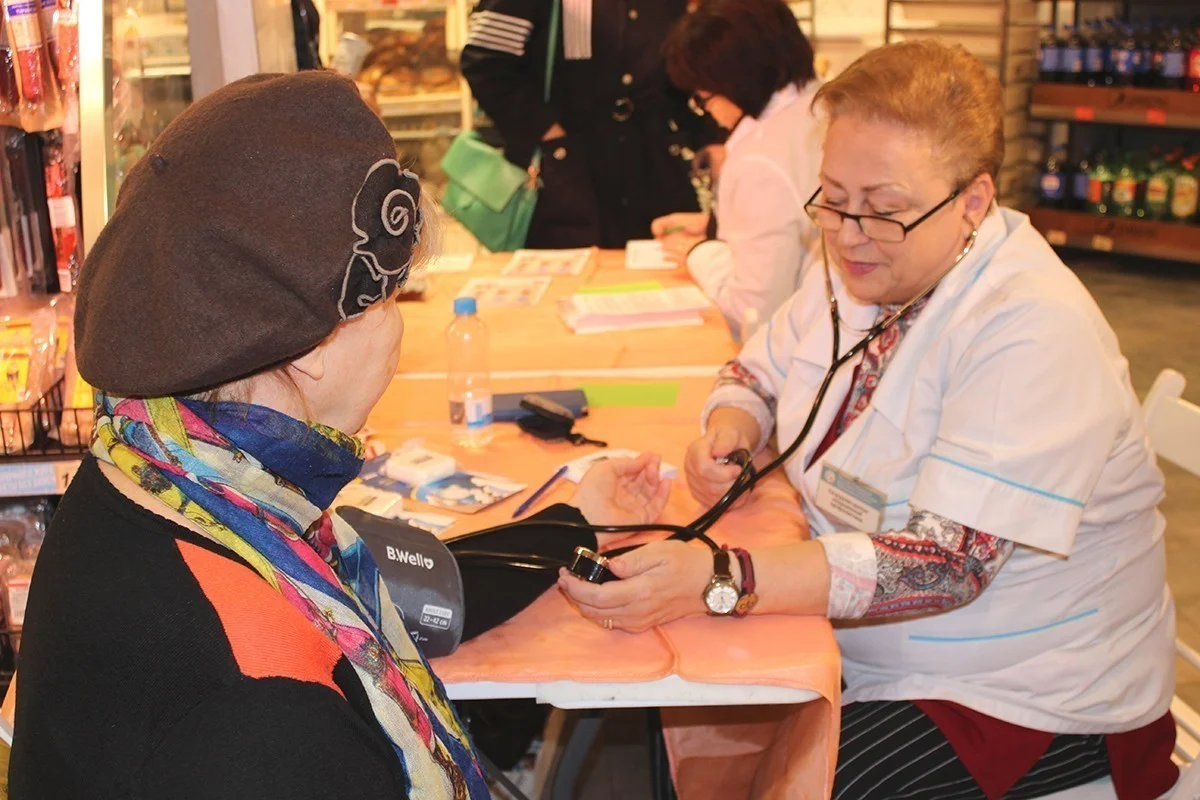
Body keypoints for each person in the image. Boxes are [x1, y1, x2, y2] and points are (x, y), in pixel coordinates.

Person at [8, 72, 667, 799]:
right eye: (394, 296)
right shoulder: (264, 712)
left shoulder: (158, 474)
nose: (400, 324)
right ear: (313, 349)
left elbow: (384, 587)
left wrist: (576, 523)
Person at [559, 41, 1181, 799]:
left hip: (1023, 696)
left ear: (973, 201)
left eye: (884, 210)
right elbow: (754, 371)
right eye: (832, 198)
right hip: (873, 653)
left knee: (791, 770)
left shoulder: (1031, 327)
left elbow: (946, 564)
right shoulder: (864, 265)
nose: (849, 233)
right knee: (691, 700)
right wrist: (733, 430)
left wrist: (726, 578)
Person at [460, 0, 718, 248]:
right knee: (571, 272)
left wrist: (709, 138)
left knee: (666, 267)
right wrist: (548, 132)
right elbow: (484, 61)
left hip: (655, 167)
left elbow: (685, 69)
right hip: (567, 174)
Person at [652, 0, 822, 336]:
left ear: (732, 81)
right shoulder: (824, 106)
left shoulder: (761, 159)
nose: (707, 111)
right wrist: (715, 226)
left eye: (703, 97)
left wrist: (701, 254)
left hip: (791, 345)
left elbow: (751, 311)